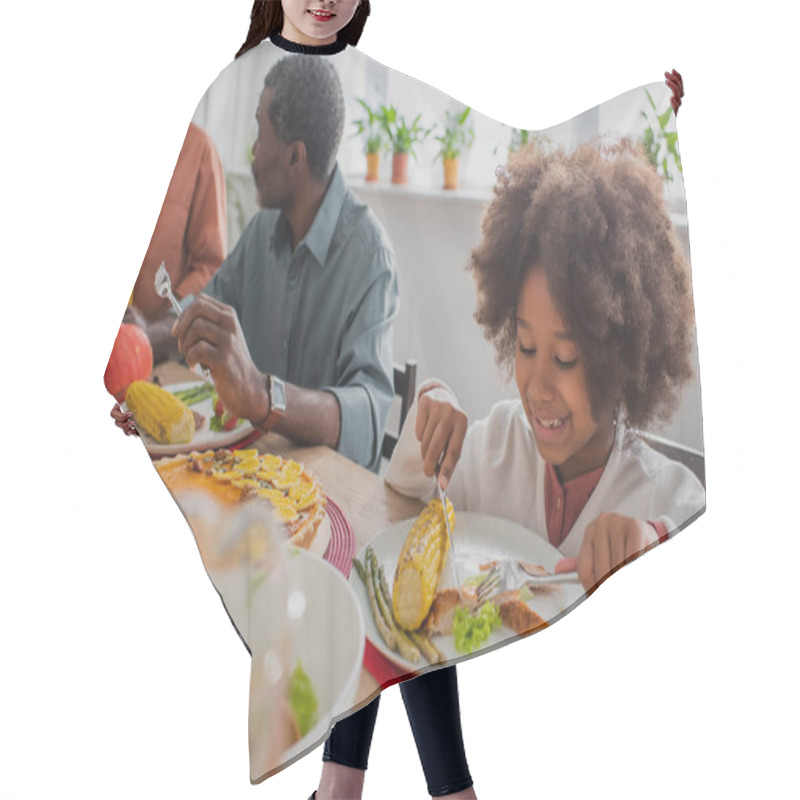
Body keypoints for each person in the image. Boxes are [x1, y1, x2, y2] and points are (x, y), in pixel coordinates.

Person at [385, 137, 704, 602]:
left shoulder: (666, 496)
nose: (537, 387)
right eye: (526, 345)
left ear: (621, 359)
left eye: (565, 359)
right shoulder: (493, 447)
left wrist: (654, 542)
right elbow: (402, 508)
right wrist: (427, 422)